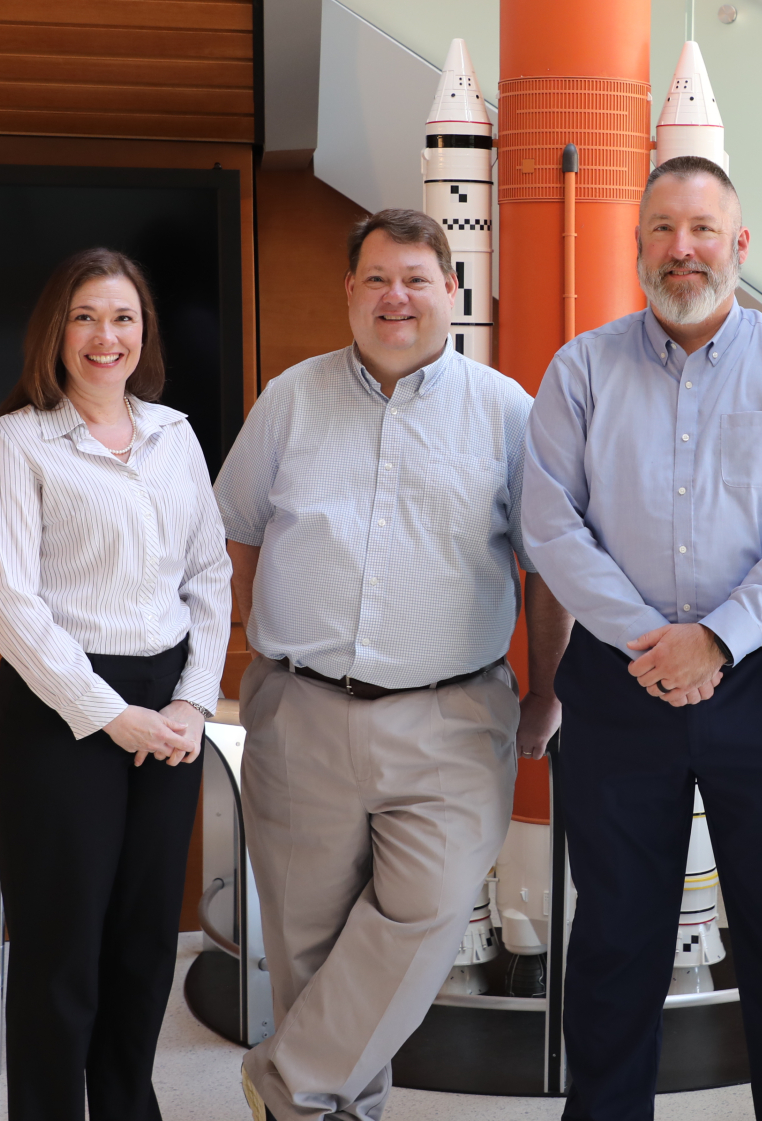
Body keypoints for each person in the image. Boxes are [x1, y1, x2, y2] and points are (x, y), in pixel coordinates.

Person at [522, 155, 762, 1121]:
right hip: (618, 686)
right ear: (637, 247)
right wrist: (652, 643)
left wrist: (713, 640)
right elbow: (551, 527)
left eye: (703, 230)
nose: (683, 249)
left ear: (739, 246)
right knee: (617, 941)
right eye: (663, 230)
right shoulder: (580, 370)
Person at [217, 209, 572, 1121]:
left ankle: (285, 1082)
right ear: (349, 291)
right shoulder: (289, 399)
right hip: (300, 708)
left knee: (430, 908)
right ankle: (328, 1110)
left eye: (415, 278)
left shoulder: (506, 412)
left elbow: (549, 572)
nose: (395, 297)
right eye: (376, 279)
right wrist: (250, 655)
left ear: (450, 292)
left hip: (454, 715)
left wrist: (544, 693)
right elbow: (236, 537)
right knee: (310, 946)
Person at [0, 247, 232, 1121]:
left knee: (147, 941)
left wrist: (192, 701)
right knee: (61, 949)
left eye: (122, 317)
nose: (104, 336)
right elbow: (12, 605)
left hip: (170, 708)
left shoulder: (175, 436)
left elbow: (209, 577)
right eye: (85, 316)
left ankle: (127, 1107)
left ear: (144, 331)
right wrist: (113, 716)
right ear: (56, 330)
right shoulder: (11, 445)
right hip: (58, 715)